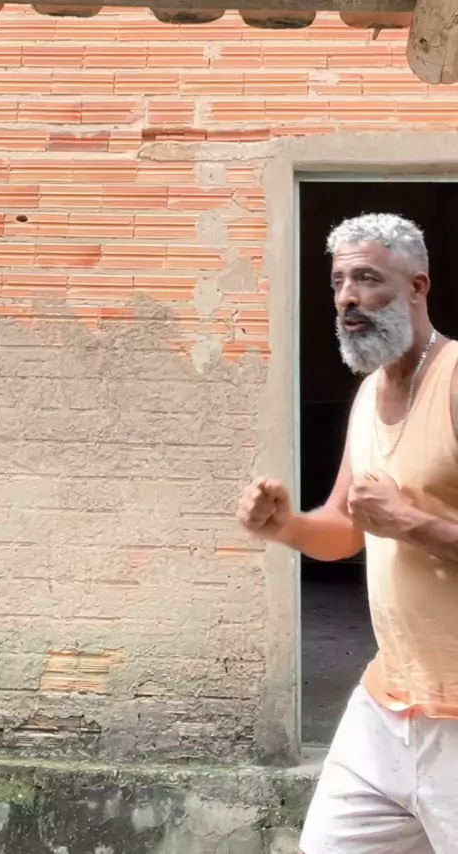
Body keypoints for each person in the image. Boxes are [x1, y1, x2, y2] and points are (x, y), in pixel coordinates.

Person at [237, 213, 458, 854]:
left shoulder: (453, 381)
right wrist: (286, 525)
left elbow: (390, 522)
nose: (347, 298)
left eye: (367, 278)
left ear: (417, 286)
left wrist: (409, 522)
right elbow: (345, 529)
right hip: (388, 704)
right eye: (338, 282)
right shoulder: (368, 396)